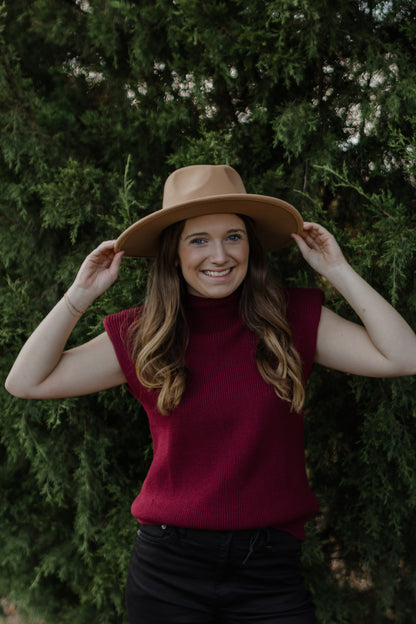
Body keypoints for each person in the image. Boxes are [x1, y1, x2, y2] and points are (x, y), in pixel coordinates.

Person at [5, 164, 416, 624]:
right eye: (198, 239)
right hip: (167, 571)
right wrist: (79, 295)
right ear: (174, 254)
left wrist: (337, 270)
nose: (219, 255)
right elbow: (26, 381)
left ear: (250, 245)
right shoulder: (143, 334)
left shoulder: (292, 318)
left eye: (233, 237)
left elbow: (404, 357)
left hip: (270, 570)